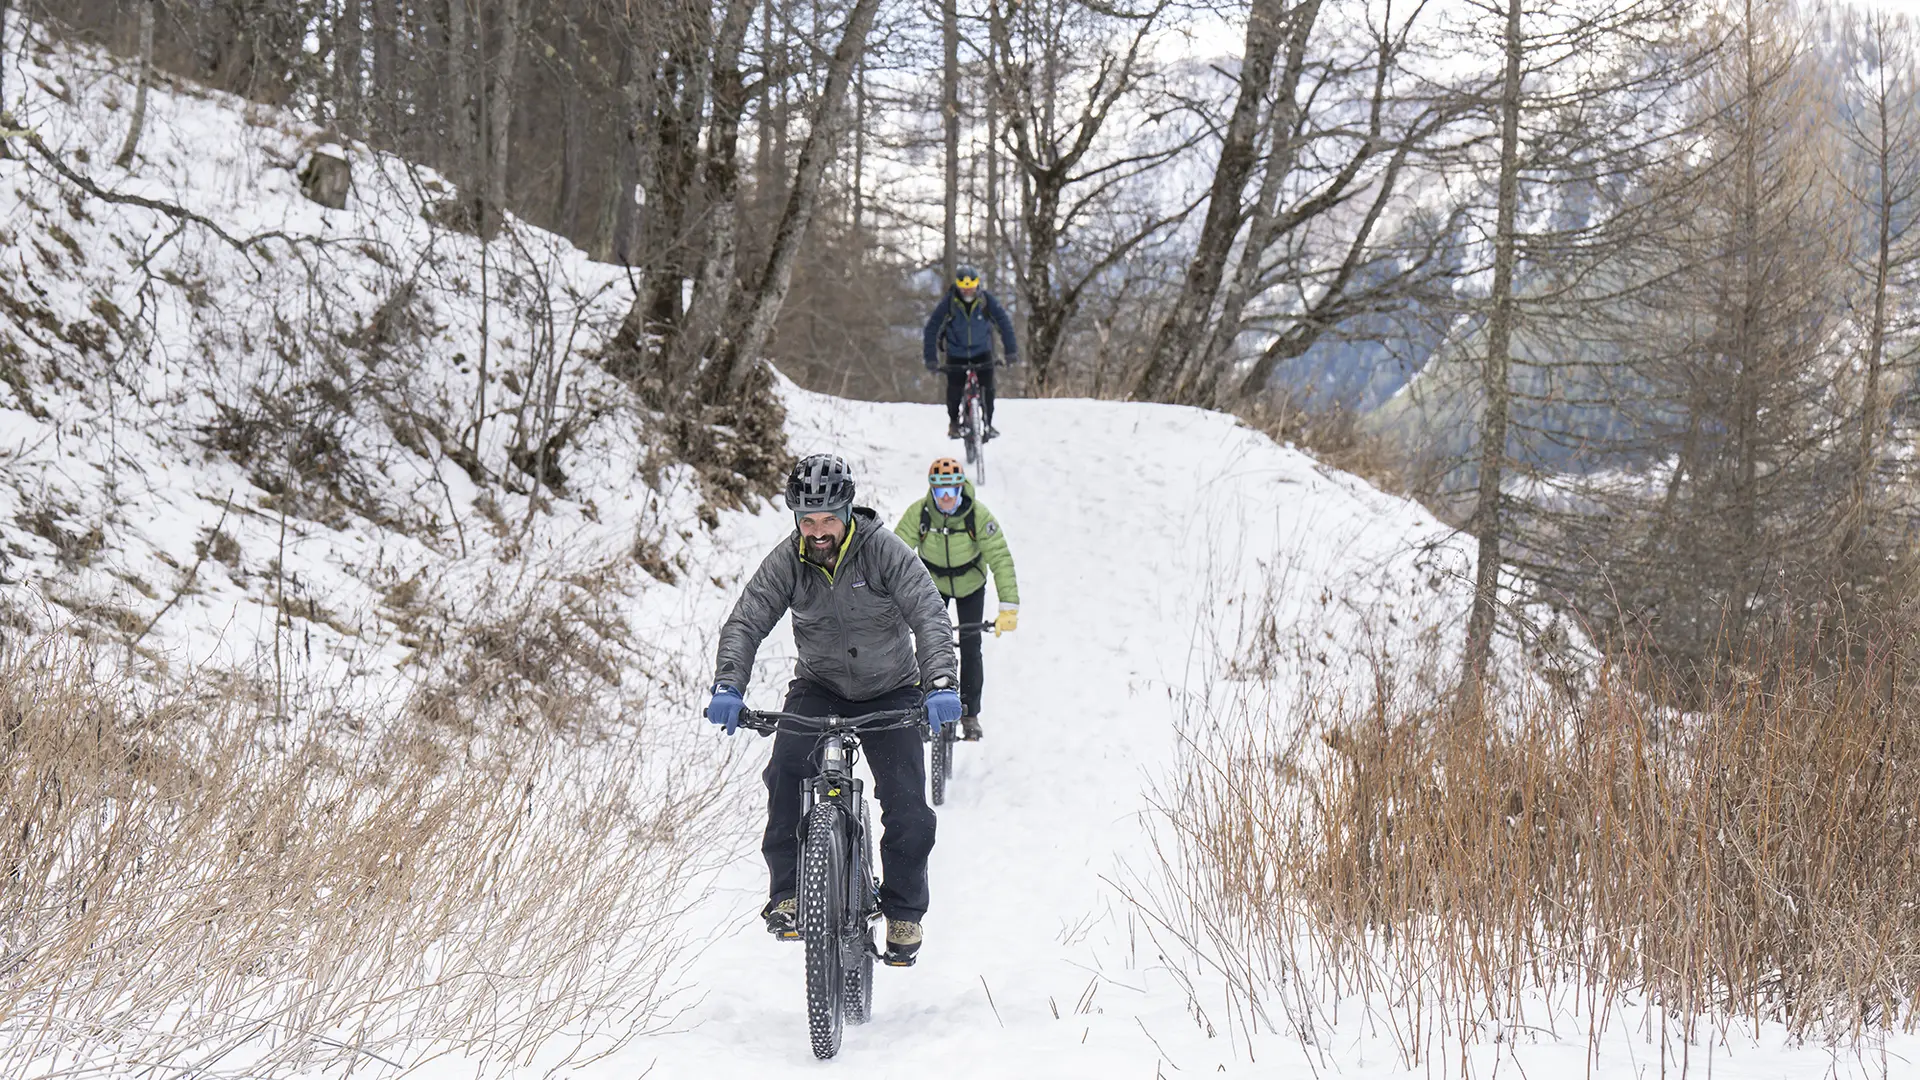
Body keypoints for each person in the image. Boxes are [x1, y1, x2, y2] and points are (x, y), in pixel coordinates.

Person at [706, 454, 963, 966]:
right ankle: (788, 893)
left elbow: (930, 615)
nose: (818, 531)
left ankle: (903, 912)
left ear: (847, 512)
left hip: (892, 689)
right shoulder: (789, 560)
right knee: (783, 772)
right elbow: (746, 621)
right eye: (807, 519)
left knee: (909, 808)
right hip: (819, 686)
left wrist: (938, 683)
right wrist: (728, 686)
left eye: (827, 519)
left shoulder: (884, 552)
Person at [893, 457, 1018, 741]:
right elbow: (895, 556)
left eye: (952, 490)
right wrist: (888, 600)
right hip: (933, 585)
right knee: (927, 643)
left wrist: (1008, 607)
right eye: (939, 491)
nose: (947, 497)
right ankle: (922, 709)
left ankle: (970, 714)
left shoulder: (977, 515)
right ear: (932, 491)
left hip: (970, 584)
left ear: (962, 488)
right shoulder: (920, 514)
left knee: (972, 647)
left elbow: (1000, 557)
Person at [923, 264, 1018, 440]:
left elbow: (1004, 324)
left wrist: (1011, 351)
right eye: (963, 286)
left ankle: (988, 424)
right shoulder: (949, 303)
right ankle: (953, 422)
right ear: (958, 286)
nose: (967, 291)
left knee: (988, 389)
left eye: (971, 286)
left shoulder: (986, 301)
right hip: (956, 354)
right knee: (954, 390)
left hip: (982, 352)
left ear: (977, 285)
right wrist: (931, 359)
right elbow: (932, 328)